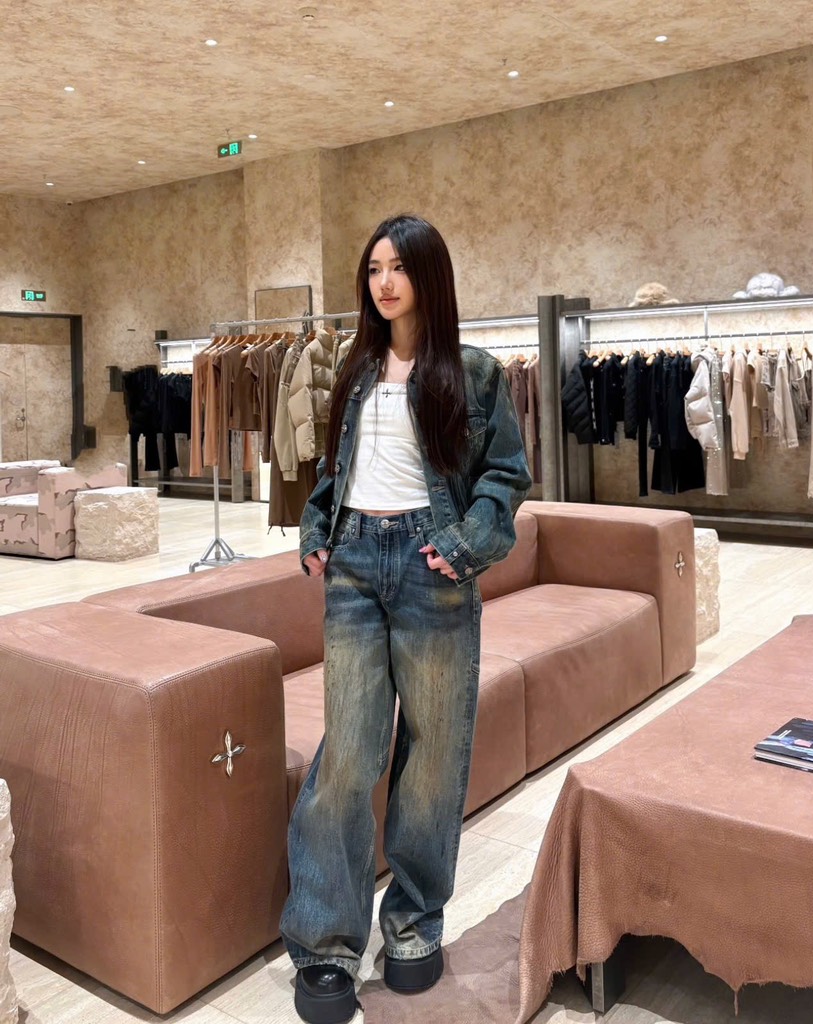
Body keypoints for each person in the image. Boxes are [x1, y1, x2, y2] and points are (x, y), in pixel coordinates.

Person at [280, 214, 532, 1024]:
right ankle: (326, 943)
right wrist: (318, 531)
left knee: (432, 756)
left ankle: (414, 924)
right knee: (349, 752)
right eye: (374, 268)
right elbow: (335, 469)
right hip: (355, 566)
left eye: (399, 267)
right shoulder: (355, 370)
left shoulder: (475, 372)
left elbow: (505, 477)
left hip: (433, 567)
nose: (384, 282)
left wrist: (465, 545)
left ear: (430, 277)